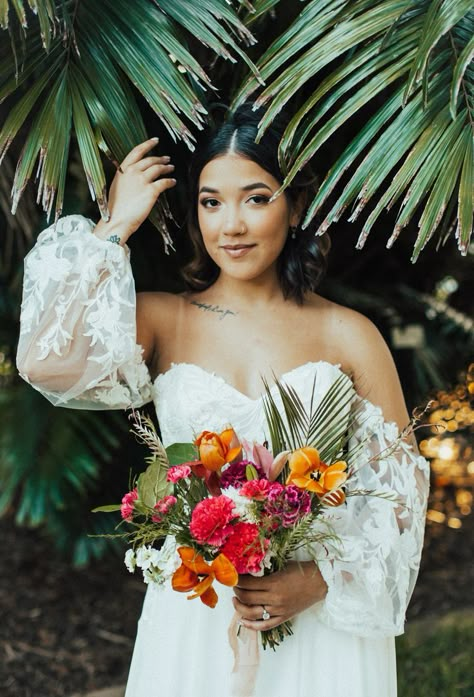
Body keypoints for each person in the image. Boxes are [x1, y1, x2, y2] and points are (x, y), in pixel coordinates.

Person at [16, 104, 429, 697]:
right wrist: (113, 228)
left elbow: (402, 488)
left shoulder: (348, 333)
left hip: (316, 621)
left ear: (297, 205)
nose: (230, 225)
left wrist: (319, 579)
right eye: (211, 202)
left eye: (255, 198)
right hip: (198, 611)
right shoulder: (166, 319)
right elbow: (46, 363)